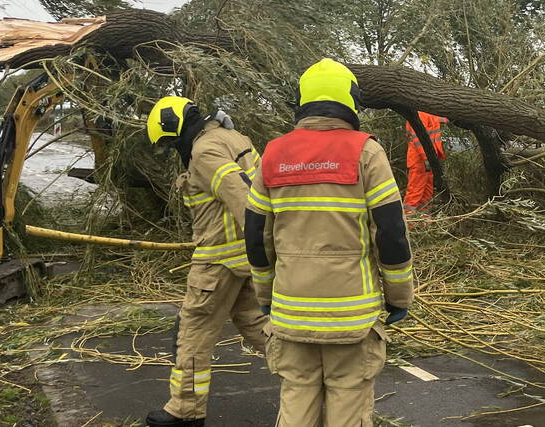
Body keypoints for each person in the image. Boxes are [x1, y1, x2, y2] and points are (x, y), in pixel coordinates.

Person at [245, 58, 414, 427]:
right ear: (351, 101)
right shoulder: (366, 151)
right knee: (349, 404)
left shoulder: (272, 154)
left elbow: (257, 238)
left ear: (301, 100)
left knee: (296, 400)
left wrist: (265, 297)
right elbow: (390, 233)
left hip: (290, 312)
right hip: (352, 317)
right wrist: (398, 297)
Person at [144, 97, 268, 427]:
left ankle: (185, 411)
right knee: (258, 326)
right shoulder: (235, 137)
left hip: (218, 261)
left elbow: (243, 197)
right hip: (244, 259)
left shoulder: (204, 150)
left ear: (176, 129)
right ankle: (311, 380)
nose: (174, 150)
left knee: (194, 332)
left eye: (171, 143)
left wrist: (265, 248)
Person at [402, 111, 448, 210]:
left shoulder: (427, 112)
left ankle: (423, 222)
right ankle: (409, 221)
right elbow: (419, 140)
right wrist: (426, 158)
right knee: (415, 192)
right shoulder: (418, 114)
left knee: (427, 193)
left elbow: (439, 119)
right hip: (419, 160)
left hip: (428, 159)